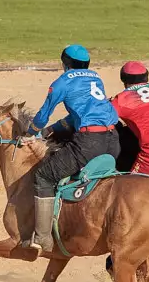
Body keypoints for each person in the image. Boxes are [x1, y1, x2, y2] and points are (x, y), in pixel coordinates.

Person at [24, 45, 120, 252]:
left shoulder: (61, 83)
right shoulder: (96, 78)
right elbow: (79, 114)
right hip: (113, 141)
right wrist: (53, 130)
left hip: (89, 142)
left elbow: (42, 116)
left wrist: (32, 132)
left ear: (64, 63)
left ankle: (42, 238)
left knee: (44, 175)